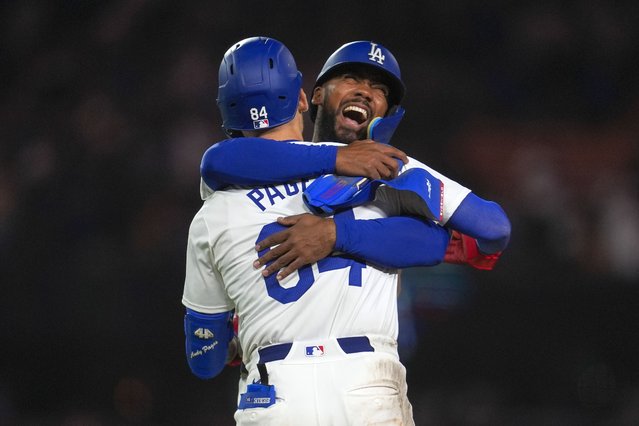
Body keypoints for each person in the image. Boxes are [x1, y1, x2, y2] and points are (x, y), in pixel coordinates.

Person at [182, 37, 459, 425]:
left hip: (274, 391)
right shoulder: (365, 176)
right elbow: (450, 238)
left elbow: (204, 361)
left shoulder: (213, 213)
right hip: (366, 384)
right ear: (300, 98)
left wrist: (235, 342)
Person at [200, 40, 511, 280]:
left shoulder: (392, 170)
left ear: (387, 114)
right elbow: (218, 161)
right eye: (351, 78)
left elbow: (493, 226)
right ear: (317, 94)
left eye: (379, 89)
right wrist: (339, 157)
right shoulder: (275, 161)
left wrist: (337, 234)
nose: (365, 92)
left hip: (364, 352)